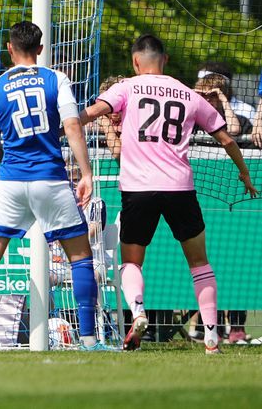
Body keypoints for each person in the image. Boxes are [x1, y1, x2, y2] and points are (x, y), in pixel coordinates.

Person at [80, 34, 257, 354]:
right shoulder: (189, 94)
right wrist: (244, 174)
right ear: (167, 60)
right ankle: (213, 337)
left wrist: (62, 124)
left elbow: (92, 113)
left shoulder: (127, 88)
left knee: (132, 262)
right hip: (180, 189)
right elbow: (228, 140)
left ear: (136, 61)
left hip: (138, 190)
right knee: (200, 263)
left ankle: (137, 313)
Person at [0, 21, 104, 351]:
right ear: (41, 49)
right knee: (81, 258)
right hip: (50, 180)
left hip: (10, 182)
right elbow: (72, 126)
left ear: (9, 48)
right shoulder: (56, 79)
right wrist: (85, 173)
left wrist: (11, 159)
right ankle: (88, 340)